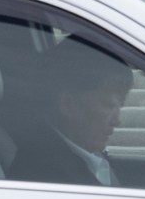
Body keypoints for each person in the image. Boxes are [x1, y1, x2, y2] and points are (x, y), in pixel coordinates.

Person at [8, 36, 133, 186]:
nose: (116, 120)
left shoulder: (82, 156)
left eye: (120, 105)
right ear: (67, 105)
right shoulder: (47, 175)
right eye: (108, 105)